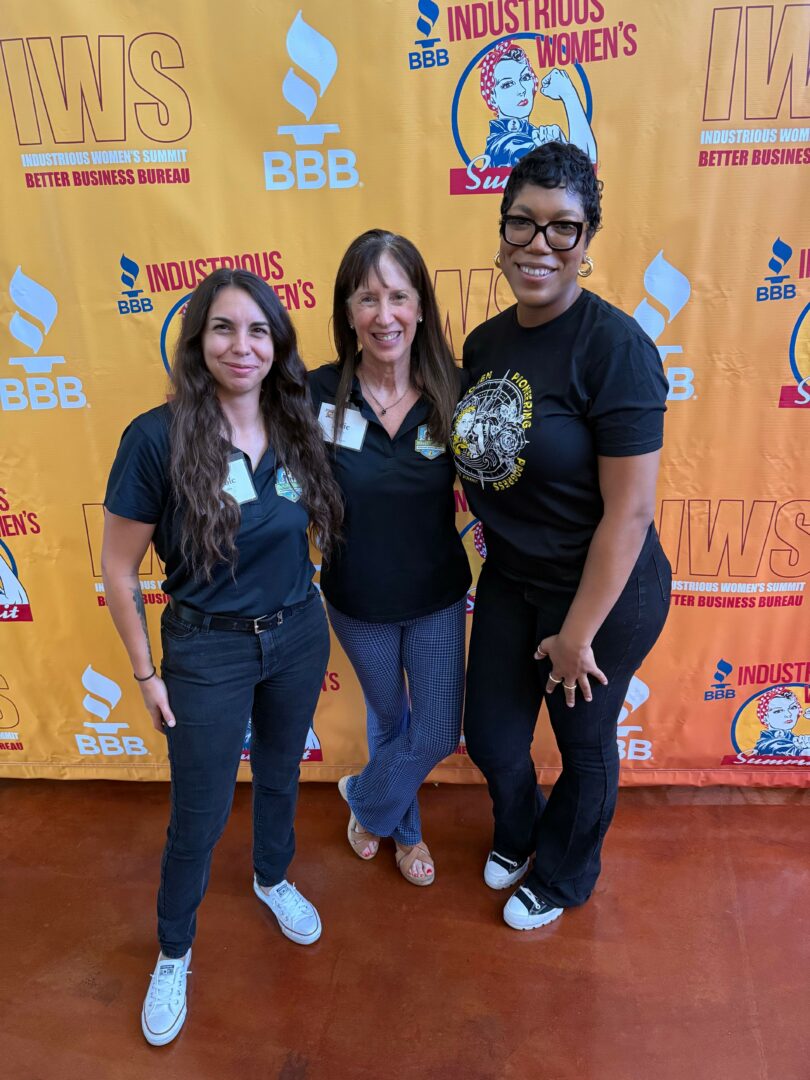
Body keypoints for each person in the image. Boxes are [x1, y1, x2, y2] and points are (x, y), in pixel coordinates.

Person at [101, 268, 342, 1045]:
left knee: (280, 774)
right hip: (207, 650)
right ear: (198, 340)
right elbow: (117, 569)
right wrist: (145, 673)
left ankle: (272, 877)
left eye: (259, 330)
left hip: (298, 633)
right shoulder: (156, 438)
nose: (243, 346)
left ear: (278, 344)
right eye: (225, 328)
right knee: (199, 814)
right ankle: (174, 950)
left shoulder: (298, 421)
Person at [451, 142, 672, 931]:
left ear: (587, 239)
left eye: (562, 227)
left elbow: (630, 513)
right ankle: (519, 830)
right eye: (523, 223)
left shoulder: (616, 350)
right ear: (502, 231)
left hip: (603, 591)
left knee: (583, 746)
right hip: (513, 577)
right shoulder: (484, 345)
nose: (539, 244)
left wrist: (577, 636)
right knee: (492, 737)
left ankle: (566, 873)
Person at [309, 230, 471, 886]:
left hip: (436, 596)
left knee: (435, 731)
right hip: (359, 599)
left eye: (398, 296)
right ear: (348, 312)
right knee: (390, 718)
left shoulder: (454, 390)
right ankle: (406, 835)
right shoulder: (315, 394)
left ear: (421, 306)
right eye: (367, 298)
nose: (385, 315)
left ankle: (364, 797)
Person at [479, 42, 597, 167]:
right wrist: (569, 95)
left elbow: (586, 166)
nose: (521, 90)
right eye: (507, 84)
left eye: (525, 77)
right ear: (492, 97)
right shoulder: (507, 145)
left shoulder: (529, 134)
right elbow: (583, 168)